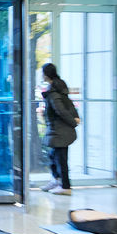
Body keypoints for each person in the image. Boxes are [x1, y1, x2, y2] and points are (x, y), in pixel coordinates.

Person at [40, 62, 80, 196]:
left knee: (60, 158)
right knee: (54, 156)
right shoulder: (59, 88)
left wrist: (73, 121)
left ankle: (65, 185)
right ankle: (56, 180)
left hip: (59, 129)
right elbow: (69, 104)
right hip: (58, 129)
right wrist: (75, 117)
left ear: (46, 74)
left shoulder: (53, 92)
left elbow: (61, 110)